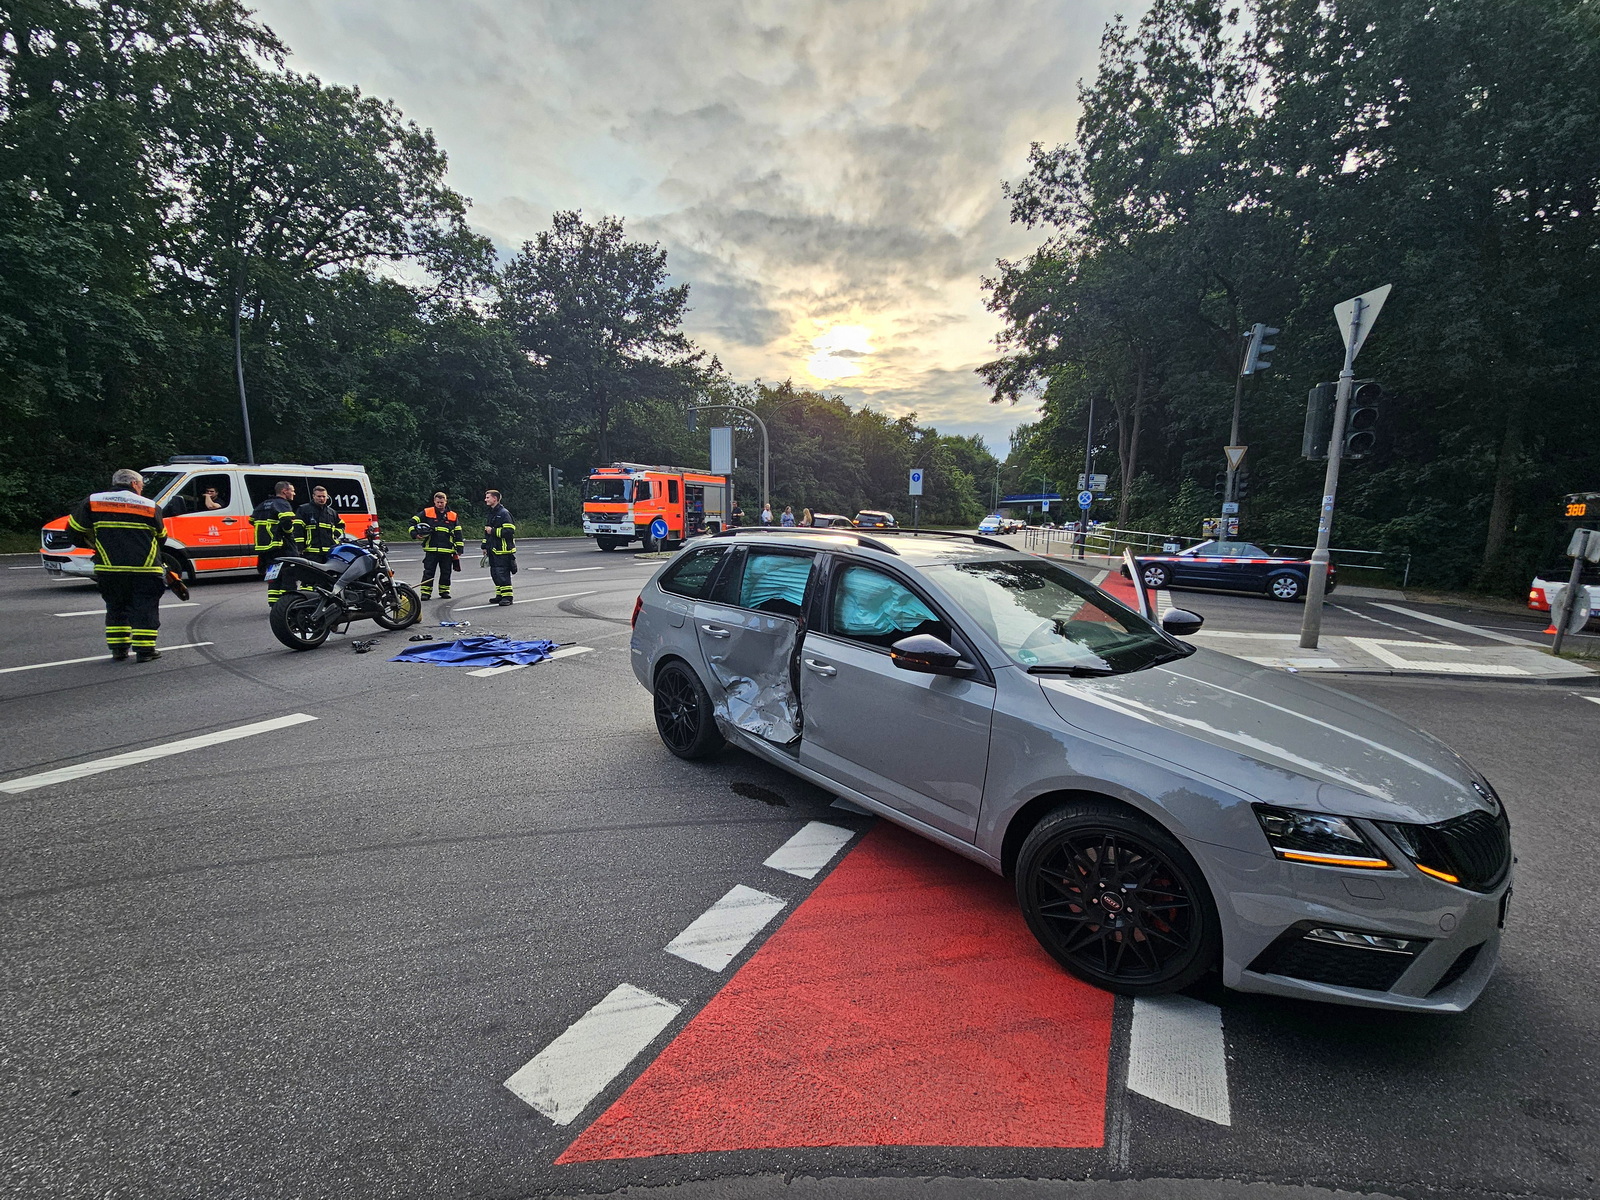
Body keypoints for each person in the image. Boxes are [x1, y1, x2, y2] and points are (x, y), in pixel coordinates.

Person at [65, 468, 167, 662]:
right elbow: (162, 537)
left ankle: (119, 649)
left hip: (109, 567)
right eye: (141, 486)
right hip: (144, 568)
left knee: (116, 606)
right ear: (135, 484)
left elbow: (75, 532)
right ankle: (145, 651)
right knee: (144, 607)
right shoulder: (150, 505)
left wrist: (94, 545)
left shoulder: (93, 502)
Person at [251, 480, 305, 607]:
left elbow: (252, 520)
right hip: (283, 547)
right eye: (292, 490)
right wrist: (289, 531)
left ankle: (274, 604)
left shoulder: (262, 505)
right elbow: (287, 520)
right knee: (288, 575)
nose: (294, 493)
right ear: (284, 491)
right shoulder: (282, 504)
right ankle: (288, 604)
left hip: (266, 549)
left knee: (274, 577)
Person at [410, 491, 464, 600]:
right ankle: (426, 593)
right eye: (438, 502)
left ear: (446, 502)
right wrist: (415, 534)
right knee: (428, 572)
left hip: (447, 550)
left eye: (442, 502)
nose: (440, 504)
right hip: (431, 549)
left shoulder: (453, 515)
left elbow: (458, 532)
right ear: (434, 501)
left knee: (446, 572)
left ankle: (444, 591)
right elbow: (412, 522)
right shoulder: (427, 512)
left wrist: (459, 548)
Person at [482, 488, 517, 606]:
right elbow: (486, 532)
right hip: (493, 549)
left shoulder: (504, 513)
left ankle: (507, 597)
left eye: (488, 497)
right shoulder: (492, 513)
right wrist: (484, 546)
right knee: (495, 574)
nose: (485, 499)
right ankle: (500, 595)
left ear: (495, 499)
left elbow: (509, 530)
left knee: (502, 574)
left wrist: (493, 531)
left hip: (503, 550)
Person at [297, 485, 343, 563]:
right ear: (313, 496)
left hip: (329, 552)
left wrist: (333, 535)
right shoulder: (304, 510)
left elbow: (341, 524)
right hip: (311, 552)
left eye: (324, 496)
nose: (321, 499)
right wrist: (299, 548)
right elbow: (298, 530)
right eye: (319, 496)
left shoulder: (331, 512)